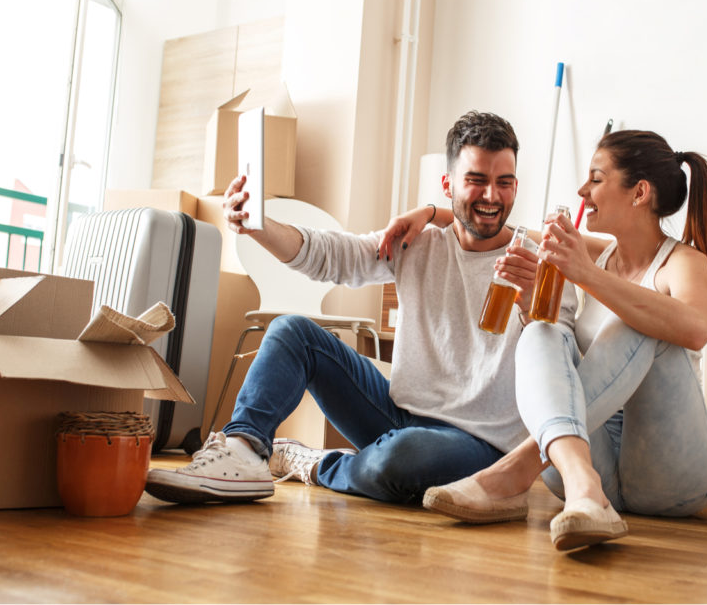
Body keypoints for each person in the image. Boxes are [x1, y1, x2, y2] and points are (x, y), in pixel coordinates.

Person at [145, 110, 576, 505]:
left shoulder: (543, 267)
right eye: (476, 179)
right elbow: (332, 256)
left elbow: (562, 358)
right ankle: (243, 452)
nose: (491, 195)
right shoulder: (416, 244)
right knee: (291, 331)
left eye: (505, 182)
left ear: (517, 185)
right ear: (447, 186)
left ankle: (311, 463)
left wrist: (532, 306)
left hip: (477, 442)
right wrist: (258, 226)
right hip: (396, 415)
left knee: (403, 458)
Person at [377, 130, 707, 551]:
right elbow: (499, 227)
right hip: (588, 476)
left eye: (596, 179)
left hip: (674, 476)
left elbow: (696, 328)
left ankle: (511, 473)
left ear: (640, 193)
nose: (583, 190)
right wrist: (430, 211)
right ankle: (584, 488)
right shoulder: (598, 254)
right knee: (542, 325)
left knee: (637, 319)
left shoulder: (683, 262)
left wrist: (586, 275)